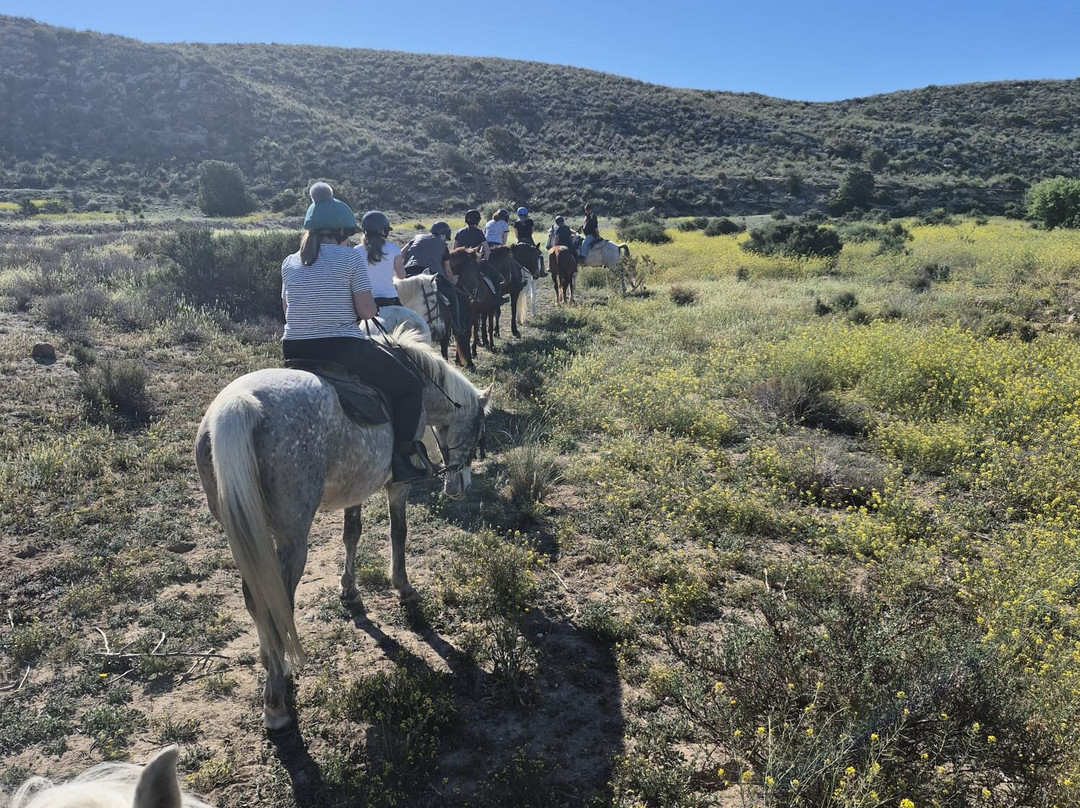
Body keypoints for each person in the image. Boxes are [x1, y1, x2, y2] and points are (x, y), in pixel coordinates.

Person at [281, 183, 430, 483]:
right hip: (342, 350)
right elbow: (365, 312)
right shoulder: (350, 259)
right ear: (338, 231)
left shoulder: (290, 261)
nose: (348, 237)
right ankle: (401, 459)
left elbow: (288, 311)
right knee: (411, 385)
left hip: (293, 350)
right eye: (346, 232)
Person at [403, 220, 468, 337]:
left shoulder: (417, 237)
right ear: (443, 236)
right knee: (453, 296)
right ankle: (456, 326)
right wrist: (454, 279)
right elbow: (447, 270)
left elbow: (402, 253)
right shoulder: (443, 245)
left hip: (409, 272)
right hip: (430, 275)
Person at [358, 209, 405, 309]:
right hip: (390, 299)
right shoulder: (393, 248)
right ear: (383, 230)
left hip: (365, 302)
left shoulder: (356, 251)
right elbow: (401, 276)